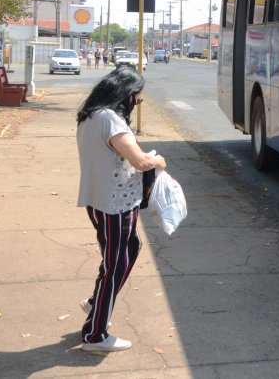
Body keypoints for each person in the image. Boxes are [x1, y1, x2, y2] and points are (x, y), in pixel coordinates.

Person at [76, 67, 167, 352]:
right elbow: (139, 161)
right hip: (114, 204)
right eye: (136, 98)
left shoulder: (91, 115)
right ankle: (95, 334)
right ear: (124, 94)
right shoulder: (110, 120)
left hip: (101, 200)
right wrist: (158, 160)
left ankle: (97, 301)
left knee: (130, 248)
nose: (137, 103)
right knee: (113, 266)